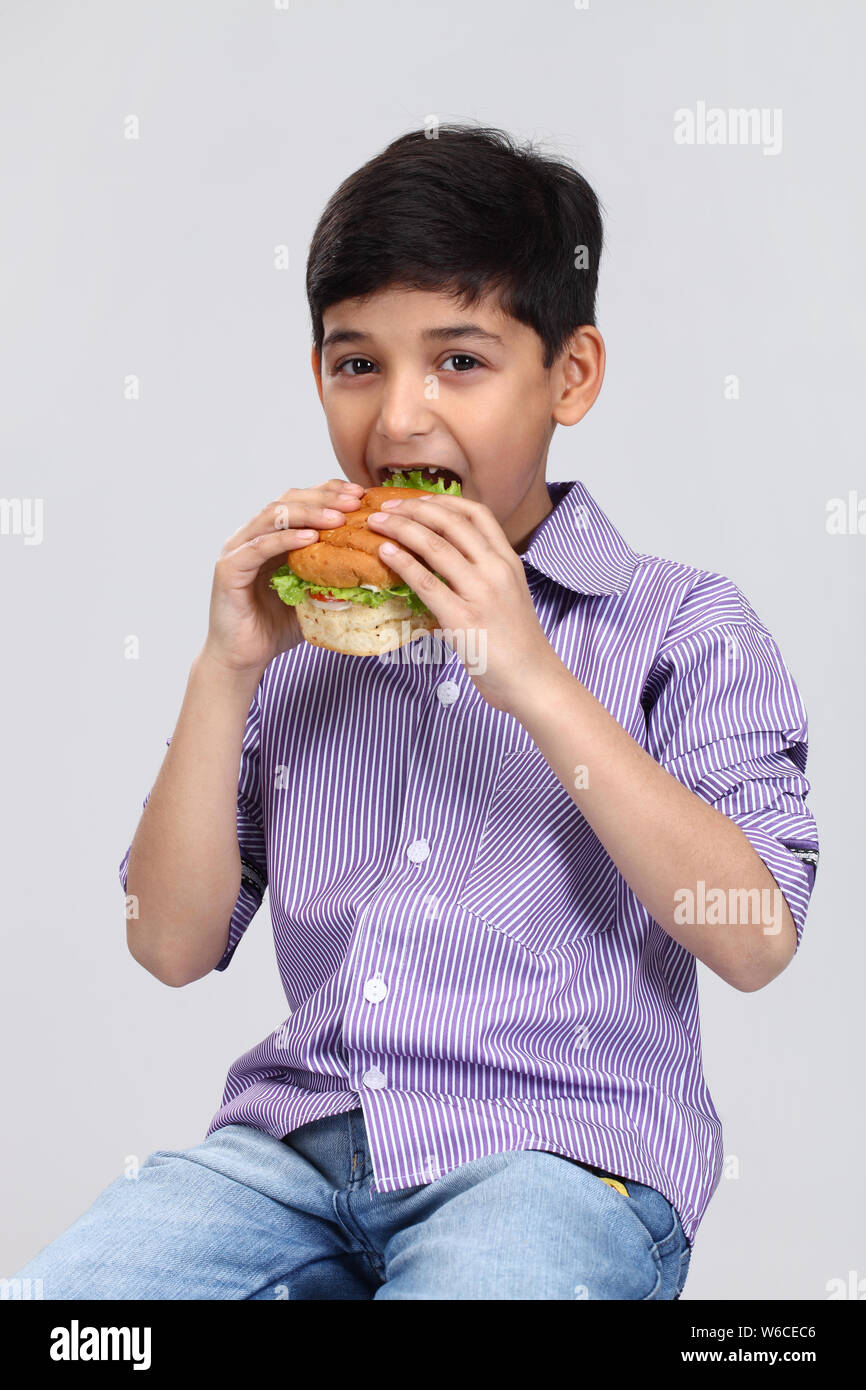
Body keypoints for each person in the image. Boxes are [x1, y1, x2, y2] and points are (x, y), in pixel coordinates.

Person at [9, 124, 819, 1300]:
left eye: (459, 362)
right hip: (283, 1161)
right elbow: (168, 944)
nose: (398, 420)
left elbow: (752, 938)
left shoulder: (679, 622)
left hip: (555, 1162)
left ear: (571, 376)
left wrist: (532, 679)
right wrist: (224, 666)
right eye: (357, 365)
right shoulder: (302, 641)